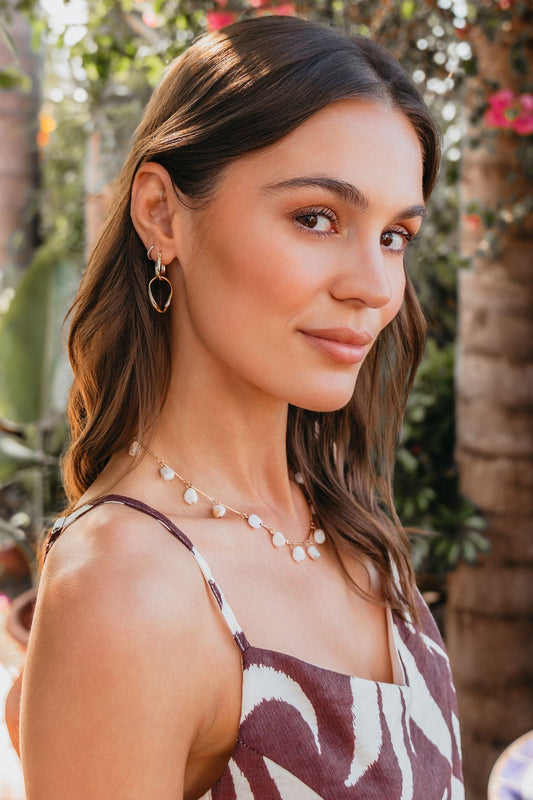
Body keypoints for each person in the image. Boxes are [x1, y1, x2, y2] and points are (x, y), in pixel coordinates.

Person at [19, 15, 464, 799]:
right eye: (316, 218)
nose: (375, 285)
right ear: (161, 215)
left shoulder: (344, 520)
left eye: (395, 235)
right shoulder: (128, 589)